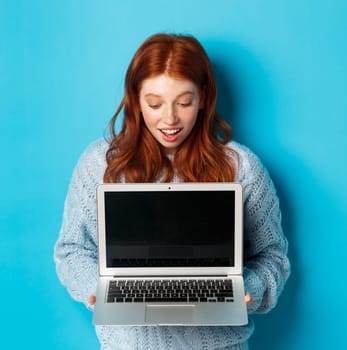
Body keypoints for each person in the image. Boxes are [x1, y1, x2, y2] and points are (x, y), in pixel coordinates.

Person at [53, 33, 290, 350]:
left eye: (184, 102)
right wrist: (96, 288)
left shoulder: (241, 166)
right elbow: (71, 249)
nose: (170, 119)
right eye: (154, 104)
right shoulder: (99, 163)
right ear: (136, 99)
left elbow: (272, 256)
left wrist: (249, 288)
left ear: (204, 97)